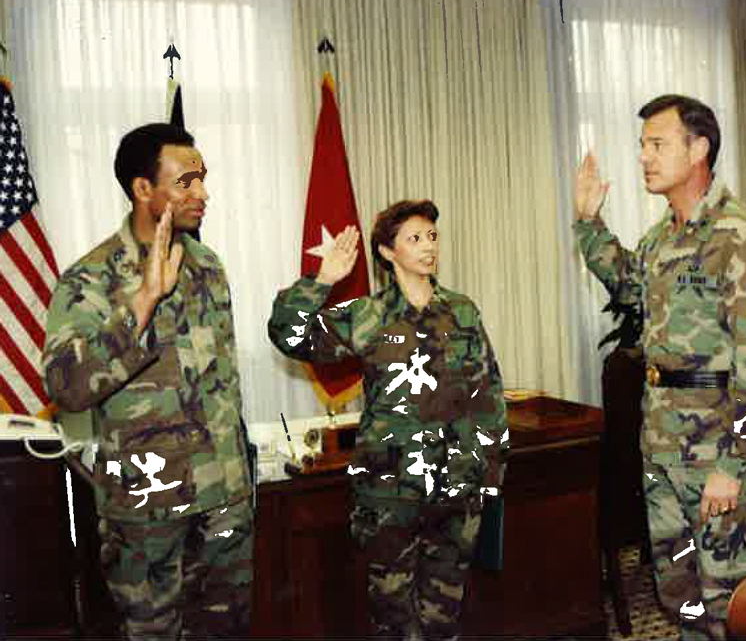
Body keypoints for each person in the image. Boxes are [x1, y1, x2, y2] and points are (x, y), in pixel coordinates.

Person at [573, 95, 746, 641]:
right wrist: (588, 223)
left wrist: (737, 464)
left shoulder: (738, 235)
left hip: (716, 449)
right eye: (642, 146)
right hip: (664, 444)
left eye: (657, 144)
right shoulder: (662, 238)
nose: (644, 158)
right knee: (679, 594)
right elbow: (629, 287)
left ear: (698, 149)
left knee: (727, 596)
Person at [42, 123, 254, 639]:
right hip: (147, 513)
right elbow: (65, 387)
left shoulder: (207, 266)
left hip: (224, 501)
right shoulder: (90, 279)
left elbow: (221, 385)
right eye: (185, 181)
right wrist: (142, 301)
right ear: (142, 189)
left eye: (202, 178)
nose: (202, 193)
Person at [267, 199, 508, 640]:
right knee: (393, 617)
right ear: (387, 252)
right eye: (414, 238)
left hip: (456, 487)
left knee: (444, 614)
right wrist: (322, 280)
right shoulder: (368, 316)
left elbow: (488, 393)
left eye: (432, 236)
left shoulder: (462, 310)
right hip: (391, 490)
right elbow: (290, 334)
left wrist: (488, 474)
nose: (427, 247)